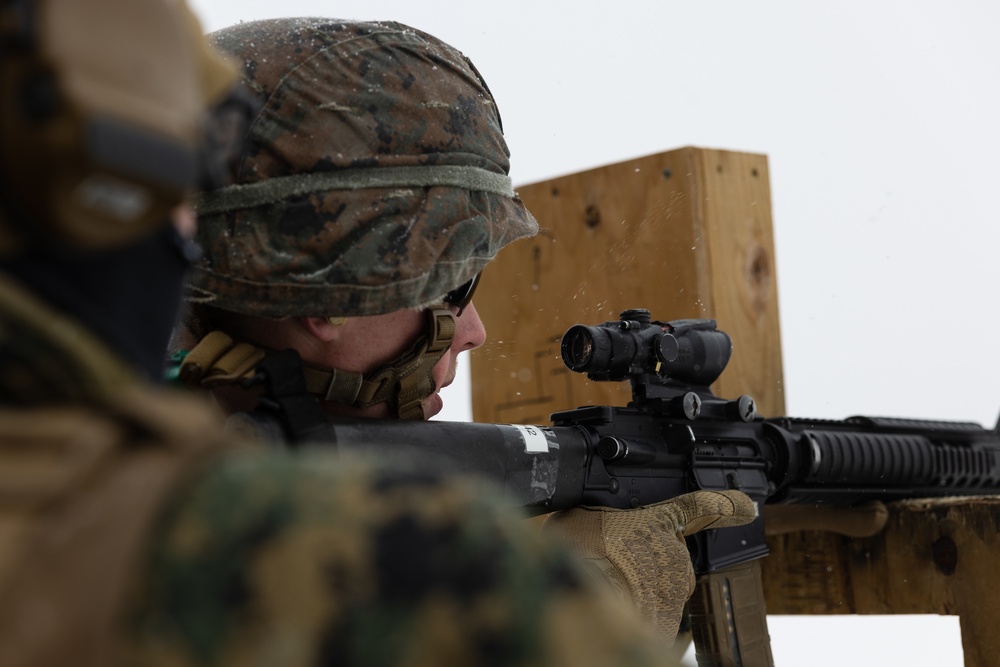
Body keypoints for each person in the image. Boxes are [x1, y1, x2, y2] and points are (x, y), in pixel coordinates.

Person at [0, 3, 754, 665]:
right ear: (340, 293)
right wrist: (580, 608)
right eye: (455, 284)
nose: (476, 330)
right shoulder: (393, 575)